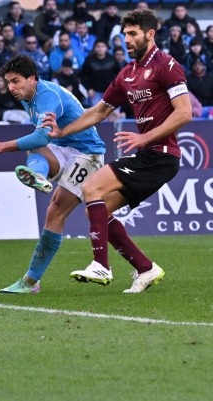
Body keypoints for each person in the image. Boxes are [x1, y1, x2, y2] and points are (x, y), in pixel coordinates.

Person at [42, 10, 192, 293]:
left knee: (90, 188)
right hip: (148, 155)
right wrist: (62, 132)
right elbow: (99, 111)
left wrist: (144, 136)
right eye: (124, 34)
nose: (126, 40)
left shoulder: (167, 66)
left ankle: (101, 265)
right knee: (96, 211)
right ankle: (145, 268)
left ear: (150, 34)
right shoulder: (128, 74)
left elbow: (184, 113)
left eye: (133, 34)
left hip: (161, 154)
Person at [0, 55, 105, 294]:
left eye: (15, 81)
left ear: (32, 79)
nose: (11, 88)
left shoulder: (47, 96)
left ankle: (30, 281)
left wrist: (1, 146)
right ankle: (38, 175)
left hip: (87, 154)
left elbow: (40, 137)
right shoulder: (28, 97)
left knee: (55, 210)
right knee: (37, 152)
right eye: (8, 82)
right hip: (63, 147)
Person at [81, 40, 120, 107]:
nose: (100, 48)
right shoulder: (89, 60)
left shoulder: (112, 59)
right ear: (94, 48)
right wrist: (89, 89)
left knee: (113, 114)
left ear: (106, 48)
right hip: (95, 92)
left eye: (102, 46)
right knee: (97, 114)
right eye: (98, 46)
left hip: (110, 92)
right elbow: (82, 76)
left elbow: (120, 74)